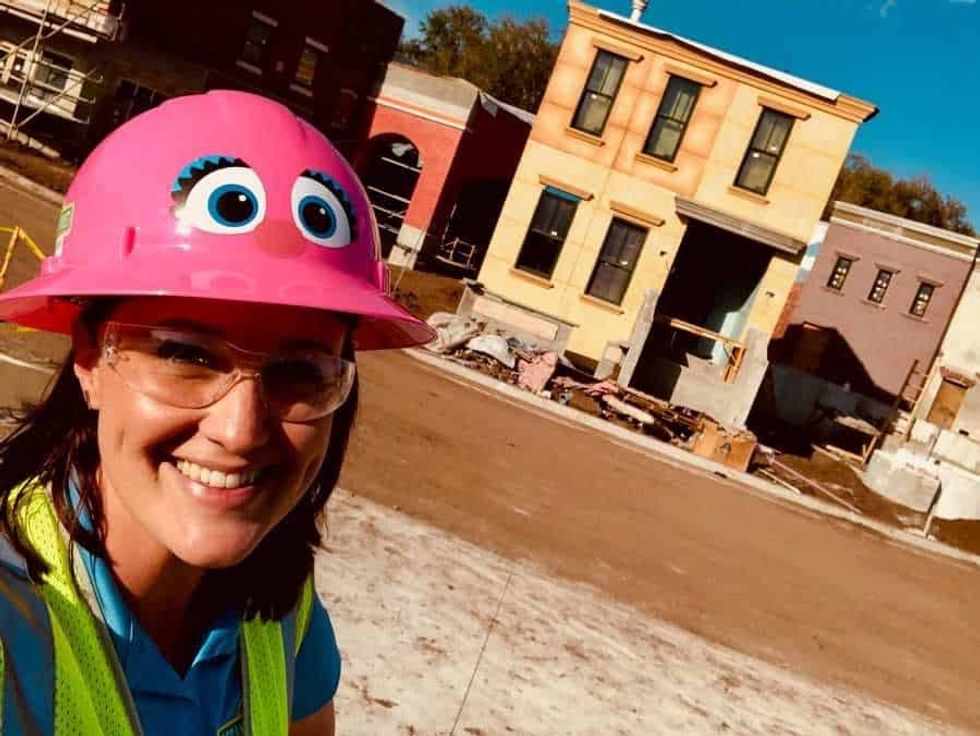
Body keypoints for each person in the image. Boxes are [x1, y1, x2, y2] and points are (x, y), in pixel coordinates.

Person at [0, 90, 436, 735]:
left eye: (301, 371)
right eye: (185, 354)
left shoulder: (281, 613)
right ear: (89, 357)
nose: (239, 431)